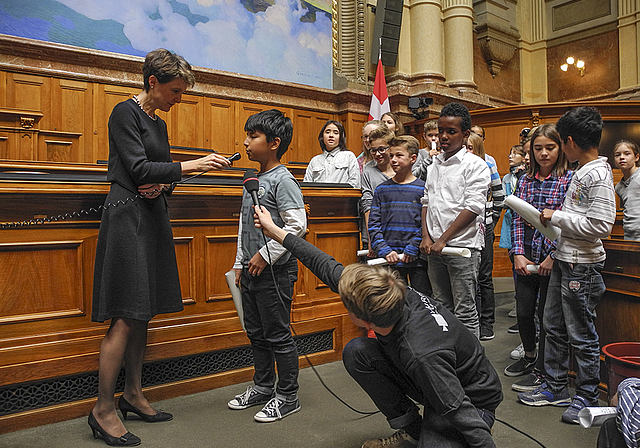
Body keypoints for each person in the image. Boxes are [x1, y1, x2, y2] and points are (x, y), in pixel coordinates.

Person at [252, 205, 503, 448]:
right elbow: (322, 263)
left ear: (363, 320)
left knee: (454, 425)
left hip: (472, 399)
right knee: (357, 351)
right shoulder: (388, 293)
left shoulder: (422, 355)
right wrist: (275, 231)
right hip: (437, 381)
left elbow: (458, 409)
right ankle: (414, 432)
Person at [90, 49, 232, 446]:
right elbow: (135, 169)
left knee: (144, 311)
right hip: (126, 218)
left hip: (152, 214)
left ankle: (132, 394)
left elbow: (156, 172)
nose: (178, 98)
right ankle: (102, 409)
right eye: (175, 90)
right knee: (126, 313)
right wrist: (193, 165)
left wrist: (166, 182)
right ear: (152, 82)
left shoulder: (158, 123)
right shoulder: (124, 112)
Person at [518, 106, 616, 425]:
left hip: (581, 267)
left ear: (570, 142)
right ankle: (556, 386)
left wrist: (554, 216)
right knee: (553, 326)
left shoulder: (597, 173)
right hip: (565, 258)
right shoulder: (582, 171)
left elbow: (602, 225)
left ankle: (586, 395)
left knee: (581, 333)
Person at [228, 109, 307, 423]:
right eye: (247, 135)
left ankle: (287, 396)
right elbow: (244, 226)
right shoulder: (253, 179)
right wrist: (240, 261)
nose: (246, 142)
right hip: (249, 269)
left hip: (275, 271)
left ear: (274, 142)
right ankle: (263, 386)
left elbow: (297, 226)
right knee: (256, 334)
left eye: (253, 136)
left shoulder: (283, 180)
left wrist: (265, 255)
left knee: (277, 335)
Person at [505, 125, 572, 393]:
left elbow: (568, 224)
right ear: (530, 151)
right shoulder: (525, 180)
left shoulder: (568, 179)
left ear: (560, 149)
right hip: (528, 253)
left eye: (550, 147)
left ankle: (543, 368)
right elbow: (518, 220)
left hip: (553, 256)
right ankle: (530, 356)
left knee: (548, 316)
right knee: (523, 311)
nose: (543, 153)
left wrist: (553, 256)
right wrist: (518, 253)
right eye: (538, 148)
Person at [420, 103, 491, 338]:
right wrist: (427, 237)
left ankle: (471, 366)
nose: (443, 137)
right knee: (441, 306)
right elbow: (426, 201)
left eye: (451, 131)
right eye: (441, 130)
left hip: (462, 247)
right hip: (435, 247)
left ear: (465, 134)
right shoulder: (434, 164)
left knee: (465, 310)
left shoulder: (475, 165)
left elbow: (473, 208)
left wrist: (444, 240)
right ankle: (449, 357)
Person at [368, 135, 431, 296]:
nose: (393, 160)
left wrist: (413, 247)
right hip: (389, 261)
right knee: (392, 301)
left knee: (422, 301)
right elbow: (374, 224)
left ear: (413, 158)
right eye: (392, 156)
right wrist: (384, 250)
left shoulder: (423, 189)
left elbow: (426, 224)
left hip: (416, 260)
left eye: (399, 155)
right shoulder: (382, 190)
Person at [466, 132, 505, 341]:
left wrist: (491, 220)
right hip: (465, 229)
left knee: (484, 276)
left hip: (485, 226)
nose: (467, 151)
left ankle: (487, 322)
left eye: (471, 148)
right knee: (468, 278)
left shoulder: (488, 165)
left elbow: (499, 198)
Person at [360, 124, 395, 251]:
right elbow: (367, 204)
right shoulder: (368, 170)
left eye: (382, 149)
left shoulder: (401, 167)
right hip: (376, 232)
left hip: (398, 233)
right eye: (373, 150)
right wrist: (372, 239)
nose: (377, 154)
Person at [304, 119, 360, 188]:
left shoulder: (349, 156)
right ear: (322, 136)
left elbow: (355, 183)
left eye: (335, 133)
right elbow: (307, 185)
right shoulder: (314, 160)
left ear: (341, 137)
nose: (331, 135)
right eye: (327, 132)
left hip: (343, 197)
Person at [613, 139, 640, 240]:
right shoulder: (619, 187)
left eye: (627, 154)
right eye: (617, 155)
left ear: (636, 157)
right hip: (629, 236)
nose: (622, 158)